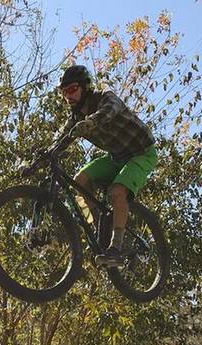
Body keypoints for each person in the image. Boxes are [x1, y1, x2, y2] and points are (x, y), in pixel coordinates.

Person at [57, 65, 157, 267]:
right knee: (80, 182)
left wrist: (90, 122)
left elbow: (109, 111)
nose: (68, 96)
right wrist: (40, 158)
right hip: (117, 157)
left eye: (72, 89)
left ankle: (115, 249)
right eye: (64, 92)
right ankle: (100, 230)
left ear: (85, 87)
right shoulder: (76, 117)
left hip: (142, 153)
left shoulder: (105, 97)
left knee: (117, 192)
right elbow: (60, 140)